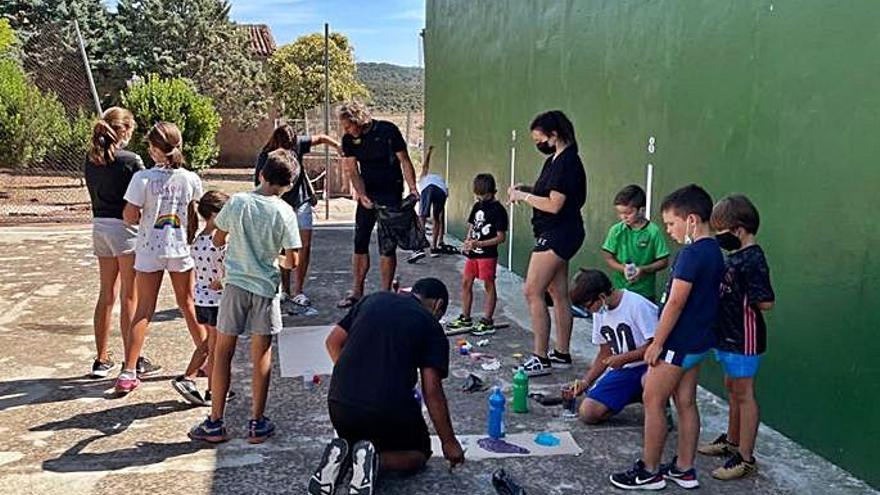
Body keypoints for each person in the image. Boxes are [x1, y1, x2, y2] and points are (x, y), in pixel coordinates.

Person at [609, 184, 724, 490]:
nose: (669, 230)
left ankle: (649, 471)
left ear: (692, 220)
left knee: (653, 398)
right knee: (686, 402)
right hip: (698, 342)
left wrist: (657, 342)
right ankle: (685, 469)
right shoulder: (714, 252)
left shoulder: (691, 255)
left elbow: (675, 302)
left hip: (677, 344)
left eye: (672, 223)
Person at [311, 278, 464, 495]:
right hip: (384, 410)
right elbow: (432, 391)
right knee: (419, 452)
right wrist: (449, 443)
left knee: (360, 441)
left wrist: (357, 375)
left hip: (340, 406)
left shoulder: (372, 299)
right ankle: (374, 461)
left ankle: (343, 458)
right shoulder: (430, 325)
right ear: (438, 305)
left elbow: (332, 341)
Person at [188, 150, 301, 444]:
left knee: (223, 352)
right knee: (261, 353)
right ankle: (256, 422)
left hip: (234, 285)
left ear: (261, 174)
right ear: (288, 185)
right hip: (266, 289)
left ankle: (215, 422)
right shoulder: (285, 212)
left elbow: (218, 238)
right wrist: (275, 258)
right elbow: (293, 261)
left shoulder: (238, 202)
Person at [115, 122, 206, 394]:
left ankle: (128, 371)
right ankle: (206, 359)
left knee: (144, 309)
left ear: (155, 149)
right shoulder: (190, 179)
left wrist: (145, 219)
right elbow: (195, 209)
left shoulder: (142, 179)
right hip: (179, 248)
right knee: (188, 304)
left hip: (149, 250)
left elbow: (129, 216)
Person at [699, 194, 775, 480]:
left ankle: (746, 457)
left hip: (745, 337)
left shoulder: (753, 259)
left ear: (739, 229)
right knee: (732, 388)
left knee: (744, 394)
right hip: (727, 335)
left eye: (722, 230)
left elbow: (766, 302)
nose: (718, 236)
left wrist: (744, 299)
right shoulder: (736, 256)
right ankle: (731, 441)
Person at [507, 110, 587, 376]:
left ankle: (540, 356)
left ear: (555, 135)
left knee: (532, 291)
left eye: (540, 139)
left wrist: (522, 197)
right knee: (558, 293)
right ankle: (562, 353)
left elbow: (554, 204)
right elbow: (549, 192)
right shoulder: (556, 160)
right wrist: (528, 189)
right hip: (558, 230)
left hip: (558, 233)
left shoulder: (567, 163)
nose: (538, 145)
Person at [335, 102, 419, 308]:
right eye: (344, 128)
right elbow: (353, 171)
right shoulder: (349, 140)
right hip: (368, 193)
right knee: (360, 240)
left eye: (348, 126)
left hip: (391, 192)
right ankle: (356, 291)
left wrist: (413, 188)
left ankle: (385, 293)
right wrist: (361, 194)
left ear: (358, 121)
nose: (346, 131)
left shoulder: (388, 131)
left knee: (387, 245)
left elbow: (405, 161)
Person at [84, 107, 144, 378]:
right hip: (125, 228)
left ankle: (101, 358)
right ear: (125, 131)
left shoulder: (92, 158)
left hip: (100, 226)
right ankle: (133, 359)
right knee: (130, 295)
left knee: (106, 293)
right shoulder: (130, 160)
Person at [254, 124, 340, 309]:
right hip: (278, 205)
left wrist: (339, 147)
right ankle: (284, 289)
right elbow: (258, 185)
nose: (289, 150)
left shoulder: (297, 145)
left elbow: (322, 137)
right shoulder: (266, 156)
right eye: (285, 146)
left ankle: (298, 290)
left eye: (291, 146)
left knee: (304, 246)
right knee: (283, 248)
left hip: (301, 202)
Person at [569, 269, 658, 424]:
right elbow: (605, 352)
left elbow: (656, 345)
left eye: (588, 306)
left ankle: (659, 406)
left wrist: (624, 358)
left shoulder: (637, 305)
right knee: (588, 413)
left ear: (602, 297)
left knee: (649, 381)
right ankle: (632, 394)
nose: (589, 311)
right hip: (624, 370)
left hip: (650, 366)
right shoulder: (600, 312)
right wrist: (586, 381)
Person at [171, 190, 232, 406]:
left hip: (201, 300)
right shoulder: (221, 242)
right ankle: (192, 379)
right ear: (216, 215)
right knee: (213, 346)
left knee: (210, 343)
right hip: (217, 300)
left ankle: (213, 388)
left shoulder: (198, 240)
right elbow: (226, 272)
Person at [445, 173, 508, 337]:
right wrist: (467, 241)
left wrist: (478, 244)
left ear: (492, 192)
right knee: (466, 283)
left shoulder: (498, 210)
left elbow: (501, 237)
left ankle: (487, 320)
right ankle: (465, 317)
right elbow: (472, 226)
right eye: (478, 194)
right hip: (473, 253)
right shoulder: (477, 206)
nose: (480, 197)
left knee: (488, 285)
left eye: (483, 194)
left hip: (487, 254)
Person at [602, 185, 669, 302]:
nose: (624, 217)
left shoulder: (653, 231)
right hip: (620, 291)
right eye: (620, 213)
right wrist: (622, 268)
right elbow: (608, 256)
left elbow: (663, 262)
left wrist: (643, 269)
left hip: (645, 293)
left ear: (641, 210)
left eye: (628, 213)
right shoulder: (616, 230)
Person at [410, 144, 447, 261]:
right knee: (438, 218)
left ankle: (419, 247)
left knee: (422, 217)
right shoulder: (441, 181)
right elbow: (442, 218)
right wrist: (441, 239)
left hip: (429, 188)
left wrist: (429, 153)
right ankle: (434, 247)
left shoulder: (423, 179)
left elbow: (425, 165)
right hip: (442, 190)